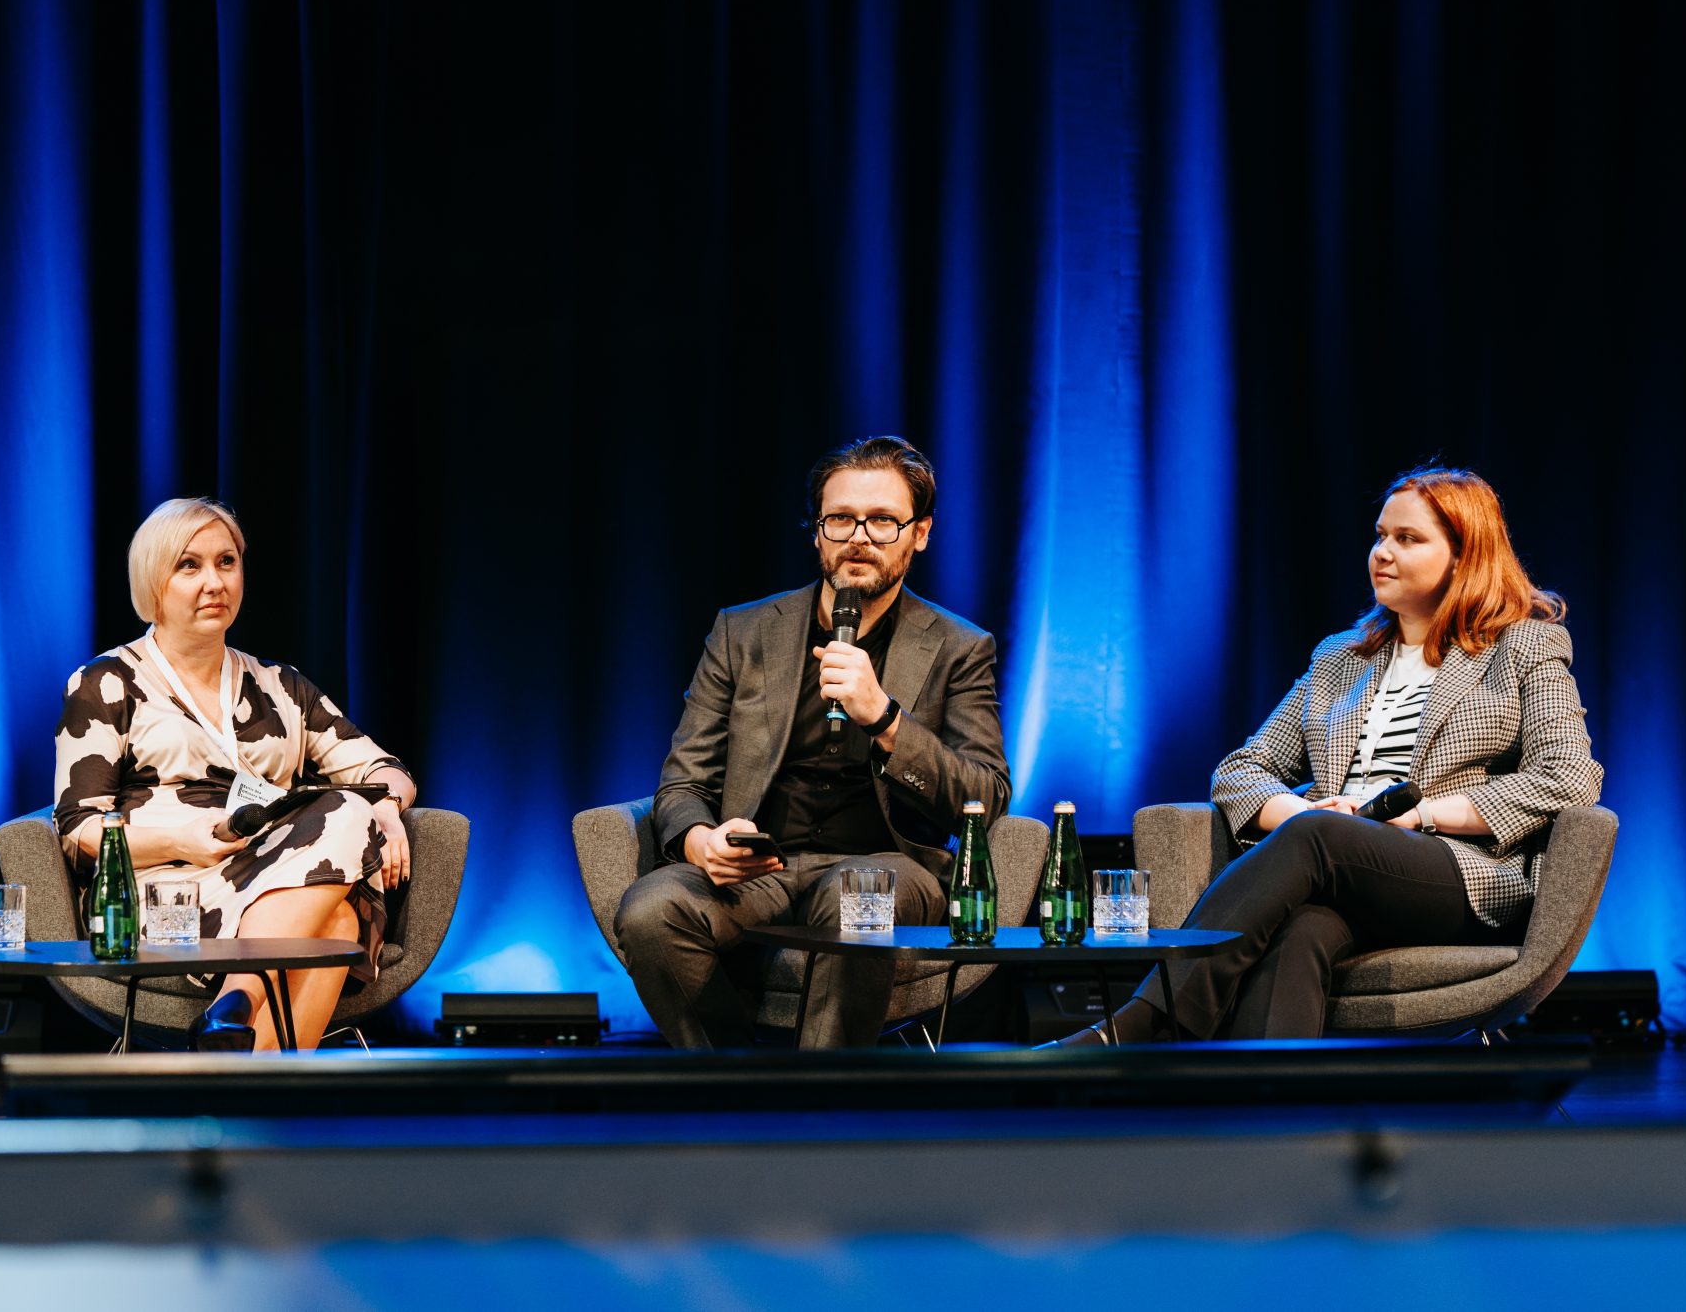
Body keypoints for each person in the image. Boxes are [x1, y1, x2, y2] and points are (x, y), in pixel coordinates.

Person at [1053, 465, 1604, 1045]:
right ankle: (1273, 1118)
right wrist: (1304, 817)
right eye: (1380, 535)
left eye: (1408, 539)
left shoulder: (1522, 647)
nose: (1382, 553)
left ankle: (1148, 1019)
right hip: (1335, 863)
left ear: (1465, 558)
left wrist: (1419, 814)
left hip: (1457, 874)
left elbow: (1568, 777)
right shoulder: (1341, 658)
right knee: (1304, 931)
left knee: (1320, 838)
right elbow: (1241, 770)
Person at [617, 435, 1011, 1049]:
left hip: (888, 866)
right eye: (841, 519)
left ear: (920, 533)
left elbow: (986, 796)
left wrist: (884, 718)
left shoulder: (960, 647)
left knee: (856, 901)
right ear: (817, 532)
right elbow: (685, 780)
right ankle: (737, 1087)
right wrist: (700, 842)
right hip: (760, 866)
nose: (860, 536)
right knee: (650, 911)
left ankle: (823, 1100)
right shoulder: (742, 632)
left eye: (883, 521)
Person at [53, 497, 416, 1051]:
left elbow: (383, 768)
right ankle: (256, 1102)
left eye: (227, 562)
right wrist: (184, 839)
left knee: (350, 809)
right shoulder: (106, 682)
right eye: (189, 566)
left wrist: (387, 810)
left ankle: (234, 1013)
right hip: (167, 894)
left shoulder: (280, 685)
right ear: (153, 583)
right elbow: (78, 830)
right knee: (338, 922)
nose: (214, 582)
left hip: (277, 877)